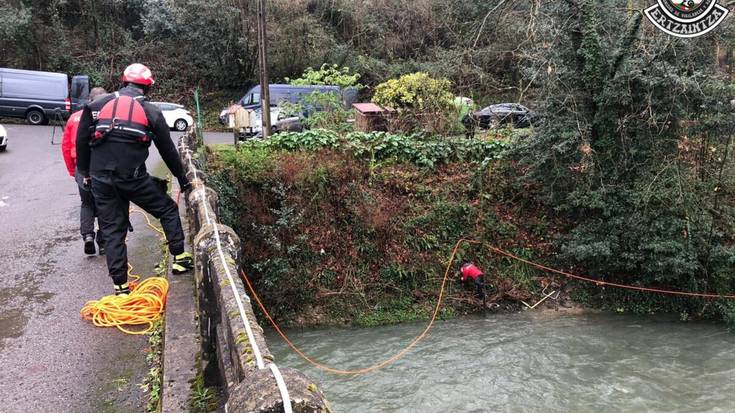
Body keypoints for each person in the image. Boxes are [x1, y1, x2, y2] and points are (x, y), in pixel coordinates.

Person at [76, 63, 194, 296]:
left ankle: (120, 287)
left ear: (123, 81)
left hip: (101, 179)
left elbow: (82, 141)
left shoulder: (97, 105)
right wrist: (183, 180)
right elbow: (168, 151)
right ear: (148, 87)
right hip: (133, 179)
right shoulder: (151, 112)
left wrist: (85, 173)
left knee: (112, 230)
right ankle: (179, 258)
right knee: (168, 209)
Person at [61, 87, 109, 256]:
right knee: (105, 203)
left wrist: (72, 171)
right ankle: (103, 243)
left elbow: (66, 147)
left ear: (90, 100)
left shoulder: (74, 118)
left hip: (81, 168)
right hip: (102, 168)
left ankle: (88, 236)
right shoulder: (108, 117)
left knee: (87, 203)